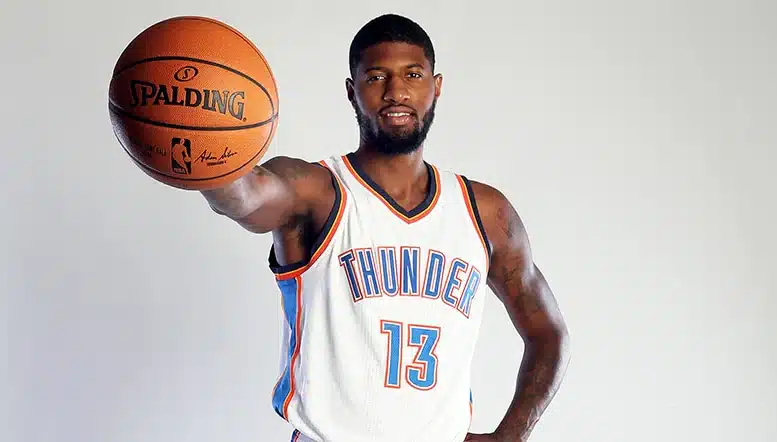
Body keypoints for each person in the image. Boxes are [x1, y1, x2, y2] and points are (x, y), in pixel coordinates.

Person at [201, 13, 571, 442]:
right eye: (376, 77)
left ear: (436, 86)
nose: (397, 92)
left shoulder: (485, 212)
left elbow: (548, 331)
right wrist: (199, 151)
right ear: (351, 91)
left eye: (412, 75)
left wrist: (512, 434)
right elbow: (243, 197)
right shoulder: (315, 192)